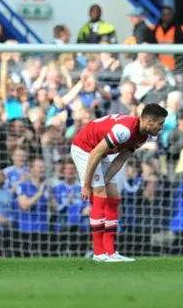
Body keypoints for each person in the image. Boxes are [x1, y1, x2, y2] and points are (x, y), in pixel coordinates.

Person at [70, 104, 167, 262]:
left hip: (101, 153)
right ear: (150, 121)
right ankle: (99, 253)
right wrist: (87, 184)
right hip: (85, 148)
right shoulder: (124, 131)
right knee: (101, 193)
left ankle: (110, 251)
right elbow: (95, 152)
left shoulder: (142, 137)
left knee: (114, 196)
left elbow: (119, 160)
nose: (161, 128)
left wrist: (106, 179)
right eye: (160, 123)